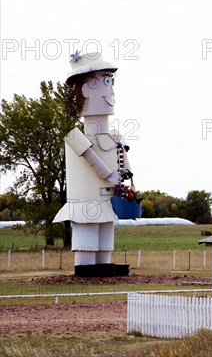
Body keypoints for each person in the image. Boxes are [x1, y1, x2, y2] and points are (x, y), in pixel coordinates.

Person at [53, 51, 133, 276]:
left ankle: (104, 266)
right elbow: (92, 160)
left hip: (108, 199)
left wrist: (126, 173)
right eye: (106, 81)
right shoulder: (74, 136)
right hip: (85, 200)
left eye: (111, 82)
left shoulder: (115, 135)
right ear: (86, 89)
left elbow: (122, 156)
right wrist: (111, 176)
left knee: (106, 235)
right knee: (87, 234)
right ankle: (86, 268)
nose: (111, 91)